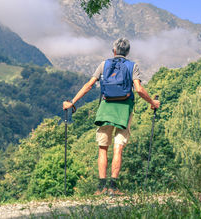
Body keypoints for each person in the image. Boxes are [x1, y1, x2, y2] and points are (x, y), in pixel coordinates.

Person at [63, 38, 160, 196]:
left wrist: (72, 102)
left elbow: (88, 85)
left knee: (102, 148)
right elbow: (139, 89)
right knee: (118, 148)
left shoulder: (104, 64)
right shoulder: (132, 66)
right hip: (124, 110)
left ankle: (101, 188)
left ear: (113, 51)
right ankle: (113, 188)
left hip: (105, 109)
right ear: (127, 52)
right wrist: (152, 102)